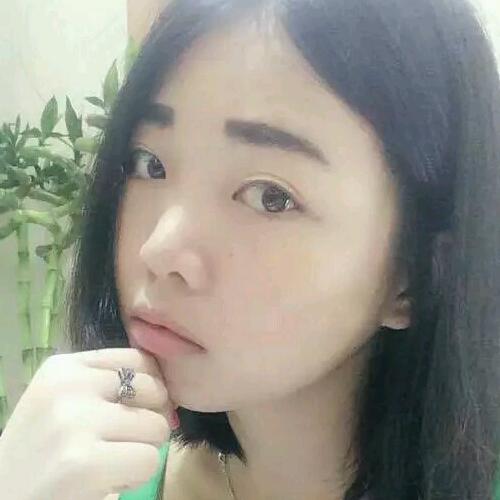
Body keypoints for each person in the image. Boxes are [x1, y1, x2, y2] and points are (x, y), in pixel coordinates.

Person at [1, 0, 499, 499]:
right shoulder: (89, 483)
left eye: (270, 197)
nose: (159, 249)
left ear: (414, 274)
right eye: (150, 164)